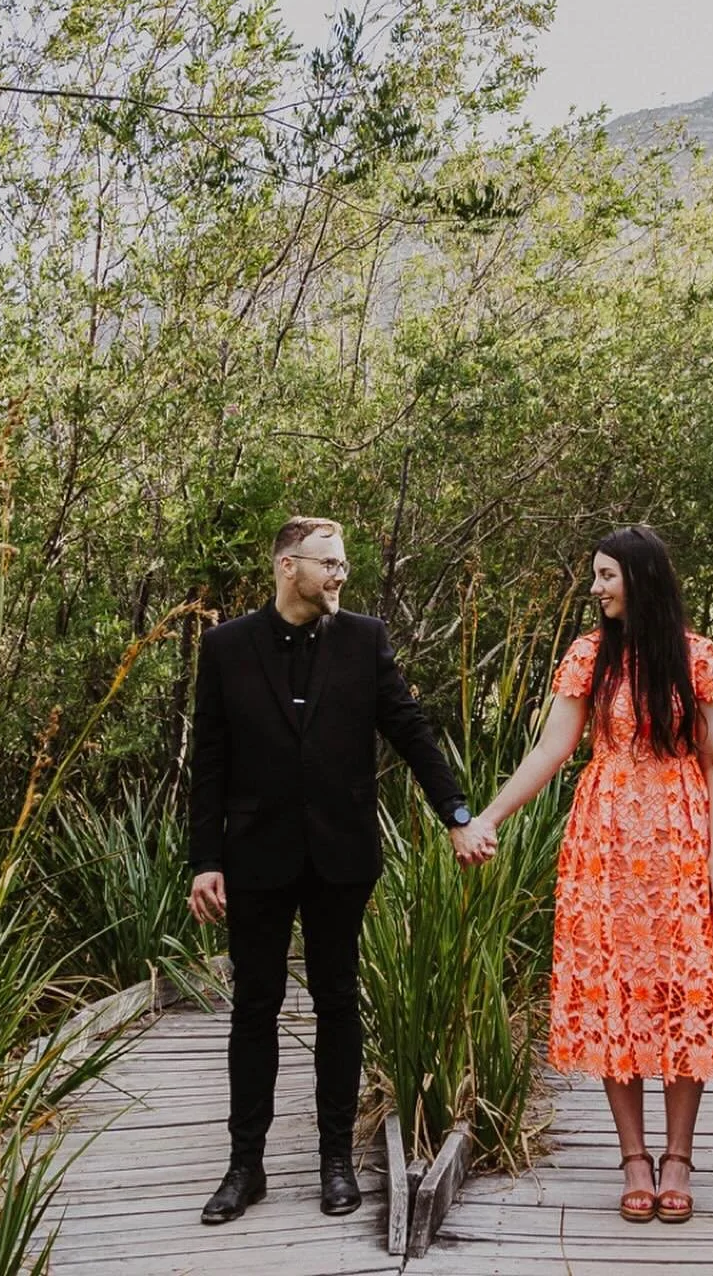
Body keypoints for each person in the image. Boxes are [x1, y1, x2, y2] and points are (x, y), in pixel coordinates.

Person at [187, 516, 484, 1225]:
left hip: (340, 855)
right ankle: (244, 1166)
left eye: (344, 562)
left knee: (337, 1003)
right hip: (255, 855)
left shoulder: (364, 638)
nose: (340, 574)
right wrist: (205, 860)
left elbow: (408, 727)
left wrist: (456, 812)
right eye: (328, 563)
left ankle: (335, 1162)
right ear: (288, 566)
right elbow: (211, 763)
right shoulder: (226, 648)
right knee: (254, 1008)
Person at [460, 525, 713, 1225]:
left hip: (681, 836)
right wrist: (489, 816)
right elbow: (553, 749)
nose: (595, 589)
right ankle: (634, 1160)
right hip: (607, 841)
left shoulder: (698, 658)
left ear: (641, 579)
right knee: (616, 990)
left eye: (606, 576)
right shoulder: (590, 657)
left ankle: (678, 1157)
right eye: (596, 576)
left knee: (685, 990)